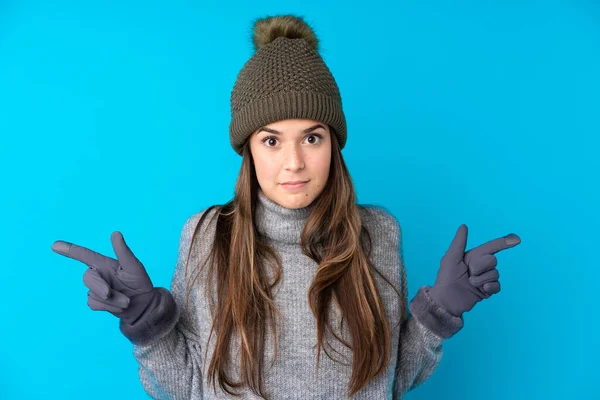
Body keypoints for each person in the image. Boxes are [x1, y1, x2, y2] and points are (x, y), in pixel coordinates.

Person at [51, 14, 521, 400]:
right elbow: (188, 387)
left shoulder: (377, 233)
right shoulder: (206, 234)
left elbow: (388, 382)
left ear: (333, 144)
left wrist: (436, 314)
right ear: (248, 149)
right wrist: (147, 327)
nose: (294, 162)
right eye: (272, 140)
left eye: (311, 137)